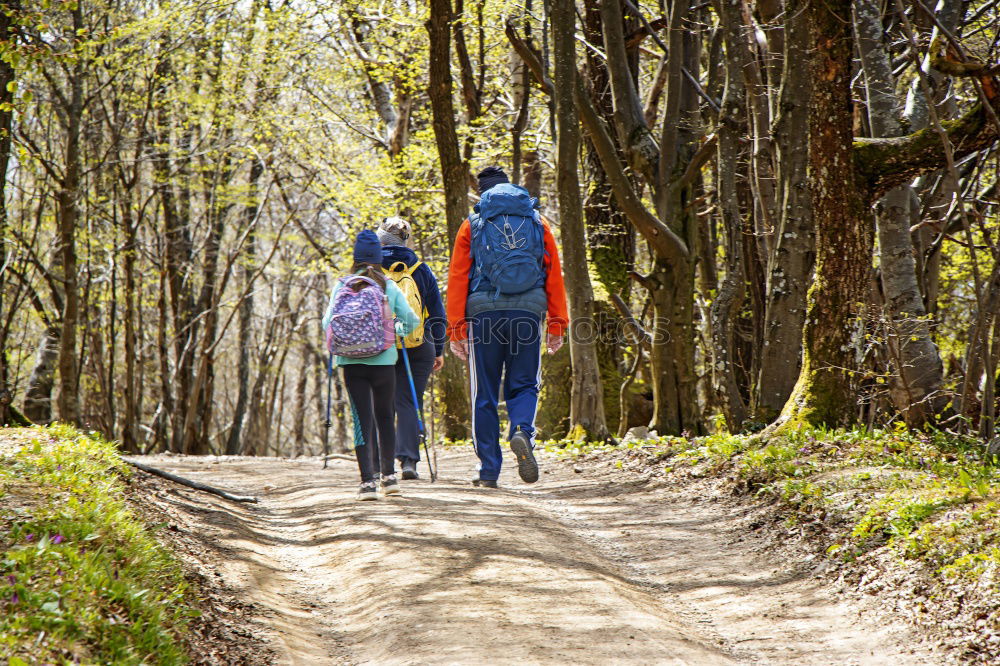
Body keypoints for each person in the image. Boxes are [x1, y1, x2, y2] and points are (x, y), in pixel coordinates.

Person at [446, 166, 568, 488]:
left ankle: (488, 471)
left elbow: (458, 278)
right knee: (525, 383)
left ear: (481, 194)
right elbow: (553, 274)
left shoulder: (472, 225)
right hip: (528, 314)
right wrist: (557, 323)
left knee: (483, 391)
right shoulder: (536, 222)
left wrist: (456, 330)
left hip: (483, 317)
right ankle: (521, 430)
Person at [322, 230, 420, 500]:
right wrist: (394, 329)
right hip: (384, 360)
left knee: (361, 419)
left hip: (351, 363)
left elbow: (326, 323)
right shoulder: (387, 284)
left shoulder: (342, 285)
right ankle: (389, 478)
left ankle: (367, 482)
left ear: (355, 258)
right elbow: (411, 321)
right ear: (378, 258)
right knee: (386, 416)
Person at [377, 217, 447, 480]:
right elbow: (437, 314)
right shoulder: (420, 268)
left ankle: (381, 464)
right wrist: (438, 349)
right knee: (408, 401)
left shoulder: (369, 268)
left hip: (380, 345)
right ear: (405, 241)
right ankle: (409, 462)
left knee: (383, 402)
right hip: (419, 345)